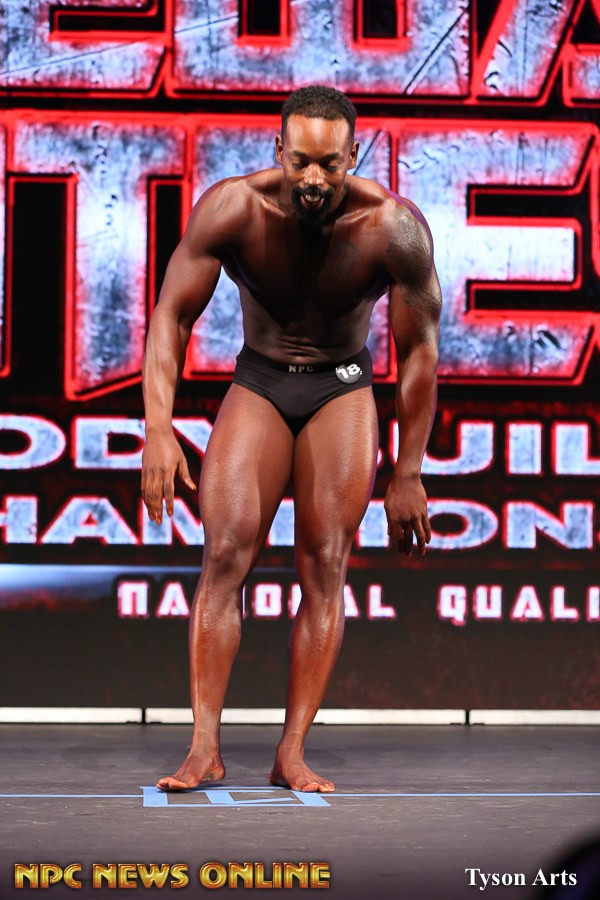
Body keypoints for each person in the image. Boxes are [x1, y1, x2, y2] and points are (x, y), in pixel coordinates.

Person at [141, 85, 441, 793]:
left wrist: (408, 472)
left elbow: (419, 350)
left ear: (352, 156)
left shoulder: (392, 227)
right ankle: (204, 748)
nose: (313, 178)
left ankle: (292, 751)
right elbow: (171, 316)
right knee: (224, 553)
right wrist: (157, 428)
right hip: (262, 381)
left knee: (325, 563)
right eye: (300, 160)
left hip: (342, 388)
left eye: (329, 164)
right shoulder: (234, 208)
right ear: (279, 148)